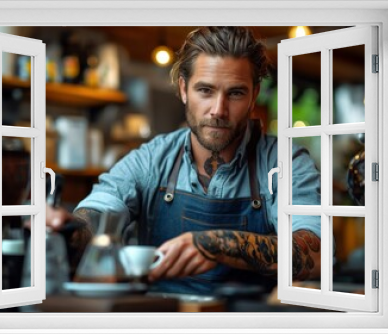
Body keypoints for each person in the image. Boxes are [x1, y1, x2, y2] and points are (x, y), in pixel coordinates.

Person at [69, 26, 321, 295]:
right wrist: (68, 232)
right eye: (205, 90)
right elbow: (100, 210)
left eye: (235, 93)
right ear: (183, 89)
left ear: (254, 95)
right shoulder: (152, 159)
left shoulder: (285, 162)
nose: (218, 110)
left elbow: (315, 258)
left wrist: (217, 243)